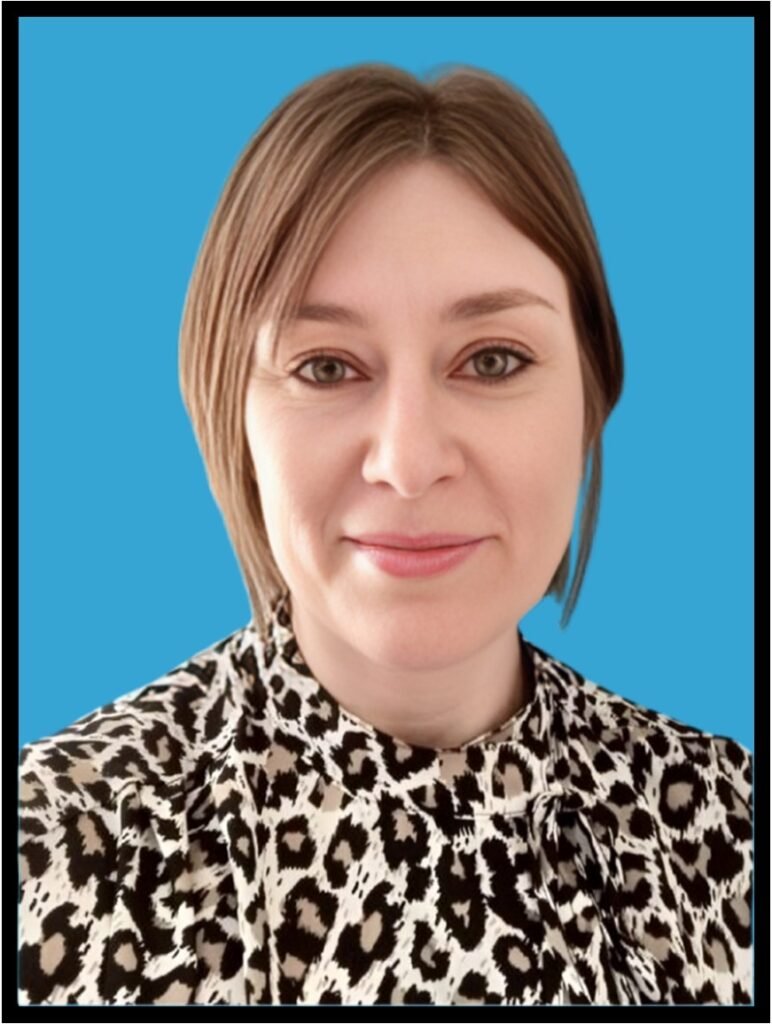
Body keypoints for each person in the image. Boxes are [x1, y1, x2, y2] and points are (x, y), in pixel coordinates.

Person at [18, 62, 752, 1006]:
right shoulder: (51, 848)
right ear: (232, 416)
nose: (408, 463)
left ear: (591, 397)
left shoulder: (733, 828)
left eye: (493, 360)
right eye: (326, 367)